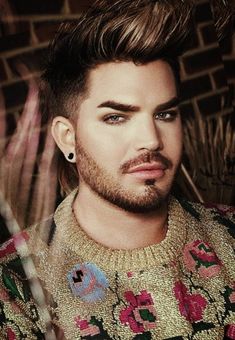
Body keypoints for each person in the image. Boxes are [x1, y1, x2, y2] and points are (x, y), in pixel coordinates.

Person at [0, 0, 235, 339]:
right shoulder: (14, 286)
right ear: (67, 138)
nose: (151, 140)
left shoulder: (229, 234)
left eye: (165, 114)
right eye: (116, 117)